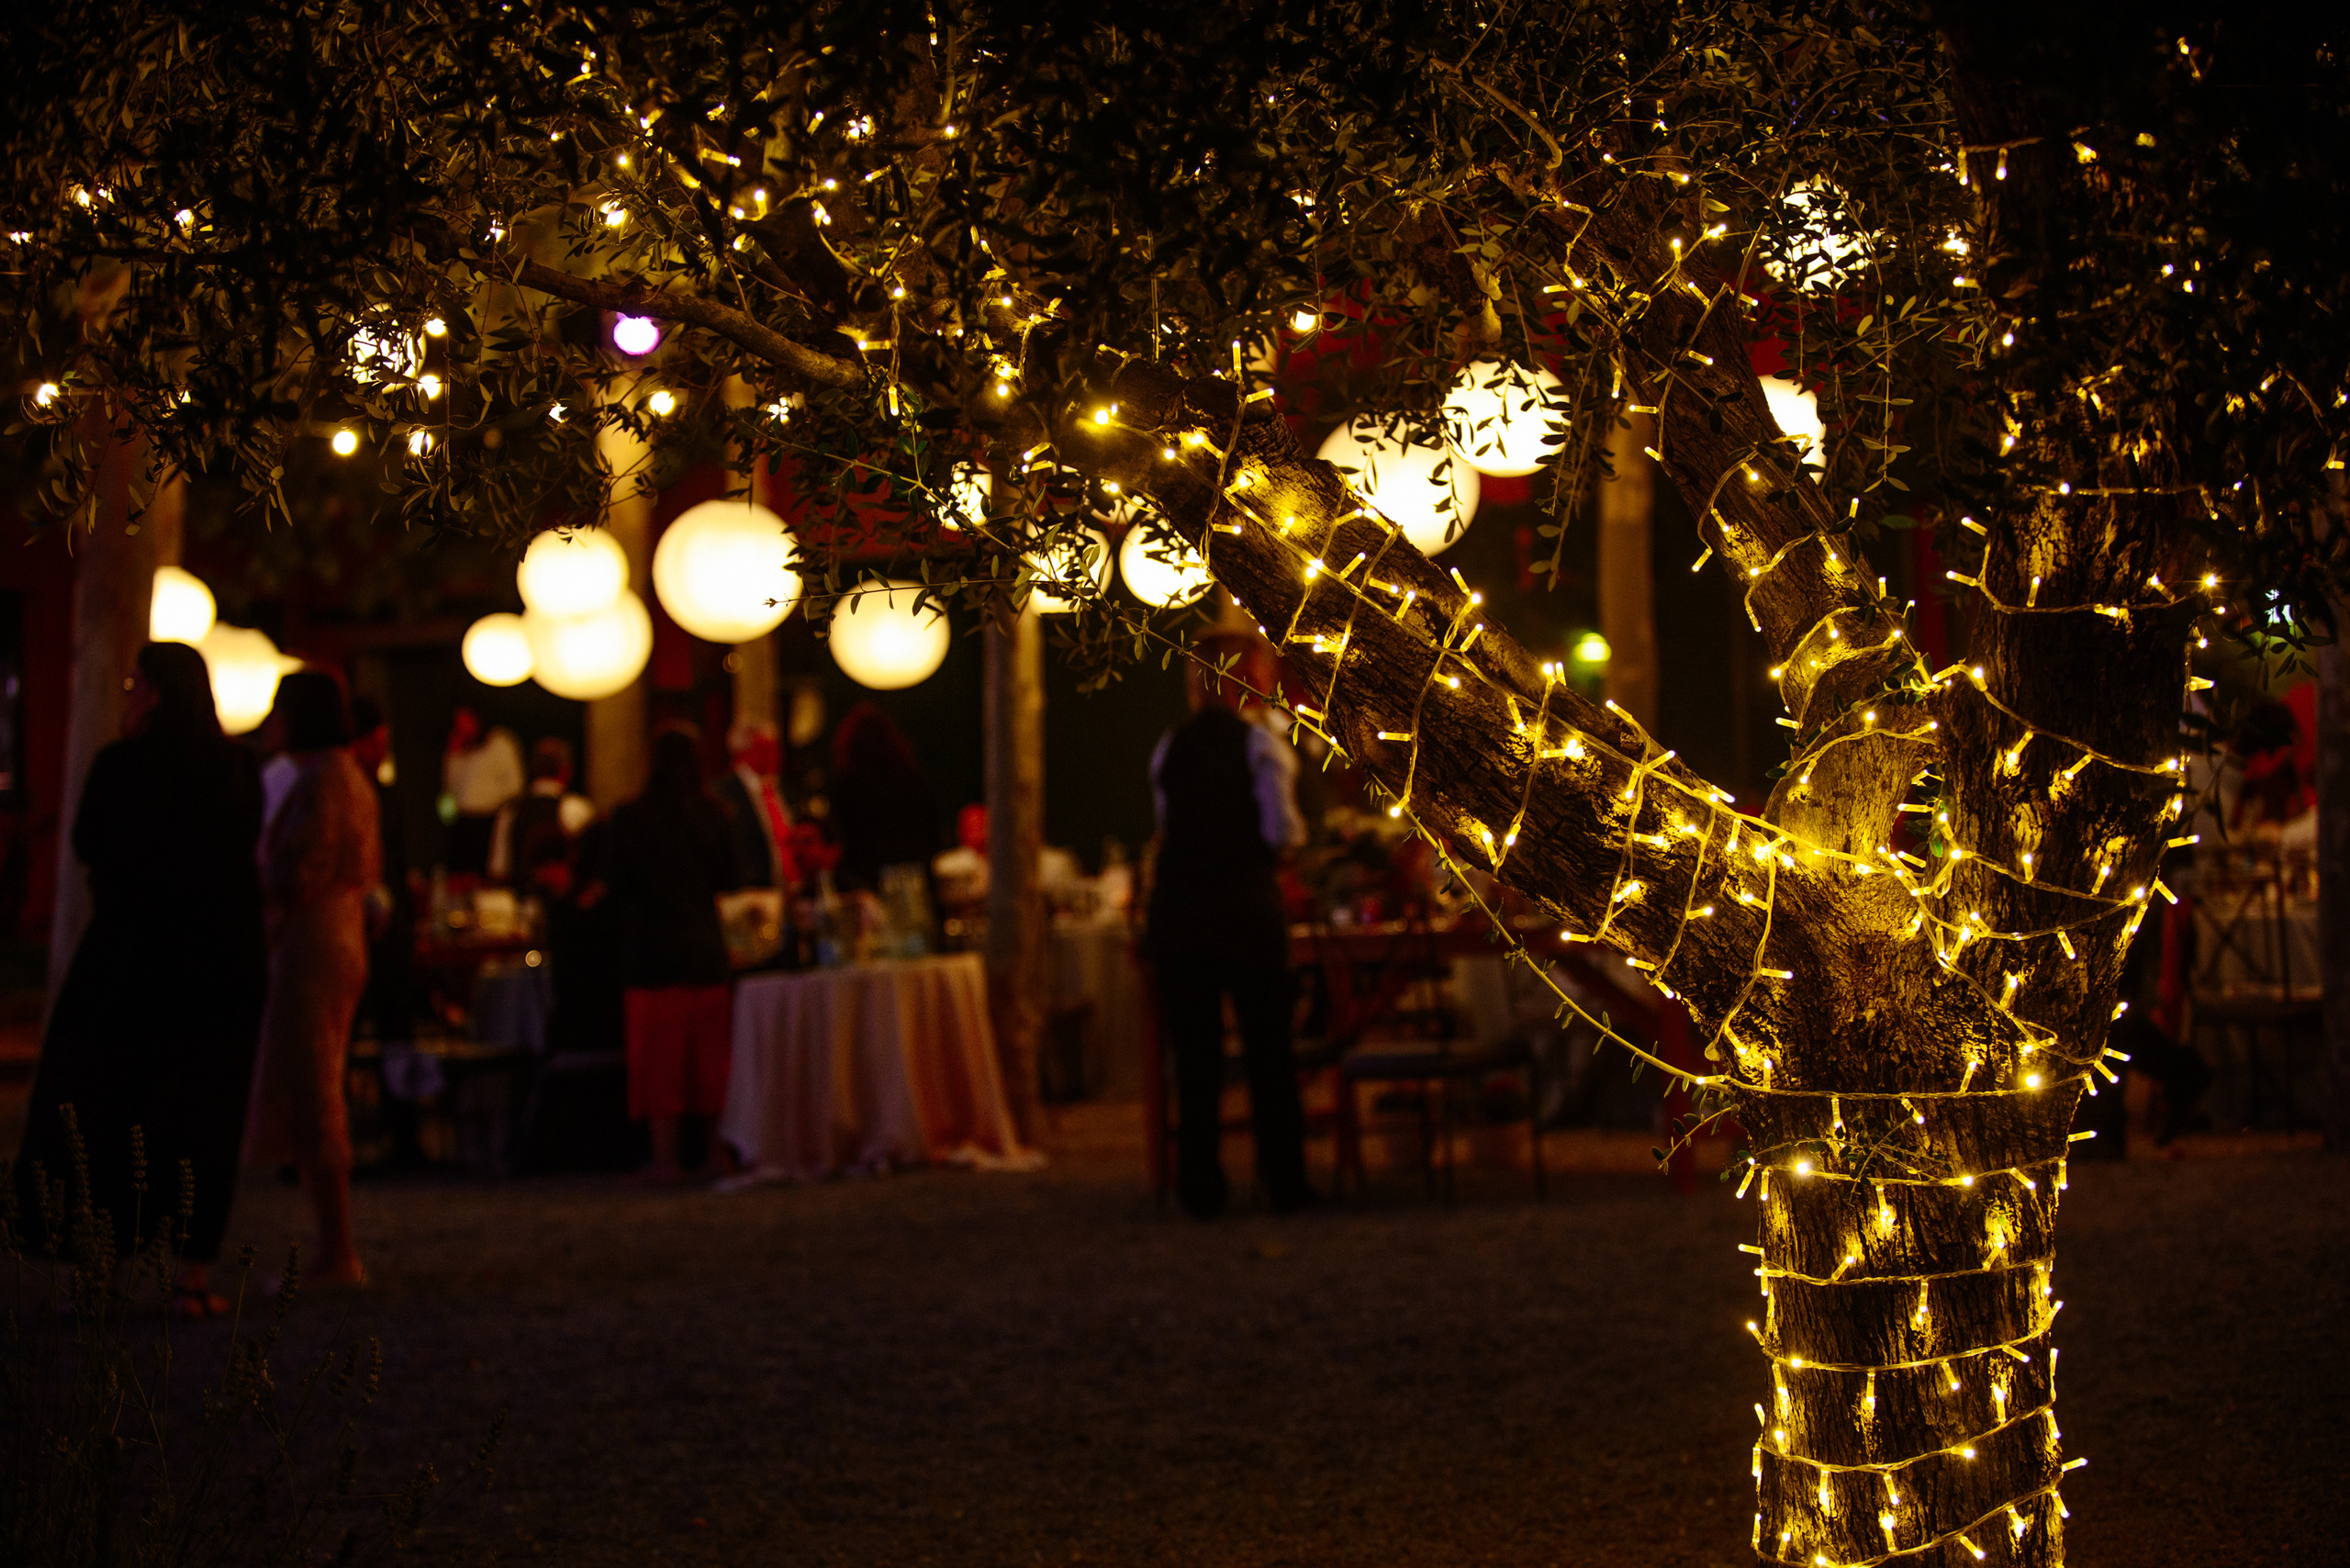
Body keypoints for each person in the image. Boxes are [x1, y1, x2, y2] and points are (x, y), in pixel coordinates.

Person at [14, 643, 267, 1316]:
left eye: (133, 685)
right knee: (203, 1110)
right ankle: (190, 1275)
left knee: (111, 1102)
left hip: (129, 956)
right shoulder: (235, 768)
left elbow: (88, 844)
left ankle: (101, 1265)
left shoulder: (120, 767)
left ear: (153, 694)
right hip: (216, 961)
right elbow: (242, 853)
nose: (126, 695)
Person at [1144, 635, 1313, 1218]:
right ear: (1248, 679)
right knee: (1269, 1050)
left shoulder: (1171, 746)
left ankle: (1200, 1186)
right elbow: (1281, 832)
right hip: (1245, 912)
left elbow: (1166, 827)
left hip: (1180, 916)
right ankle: (1284, 1183)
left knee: (1195, 1056)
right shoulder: (1261, 742)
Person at [245, 670, 379, 1288]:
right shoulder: (344, 776)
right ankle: (334, 1245)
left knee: (313, 1077)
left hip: (313, 937)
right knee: (314, 1075)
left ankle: (338, 1250)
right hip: (336, 932)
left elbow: (302, 867)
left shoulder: (324, 780)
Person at [602, 726, 742, 1182]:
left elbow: (616, 884)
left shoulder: (630, 818)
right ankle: (714, 1151)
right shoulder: (715, 815)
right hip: (703, 946)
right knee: (711, 1060)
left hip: (651, 949)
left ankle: (665, 1158)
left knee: (658, 1062)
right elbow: (730, 877)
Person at [828, 703, 940, 893]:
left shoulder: (846, 787)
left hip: (867, 884)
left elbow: (843, 840)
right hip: (916, 880)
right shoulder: (914, 780)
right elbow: (933, 832)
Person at [487, 735, 595, 887]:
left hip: (520, 903)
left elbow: (499, 870)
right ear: (566, 770)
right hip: (563, 908)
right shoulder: (577, 809)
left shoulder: (511, 809)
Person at [713, 719, 799, 890]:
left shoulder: (781, 789)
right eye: (766, 749)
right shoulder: (724, 794)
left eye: (775, 749)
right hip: (753, 893)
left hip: (789, 890)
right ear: (743, 752)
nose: (775, 756)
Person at [441, 705, 523, 876]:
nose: (463, 728)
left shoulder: (501, 744)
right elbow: (448, 792)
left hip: (491, 820)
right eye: (459, 724)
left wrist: (489, 801)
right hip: (462, 822)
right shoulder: (458, 752)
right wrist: (453, 757)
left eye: (466, 722)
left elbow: (515, 785)